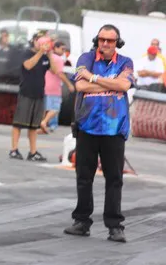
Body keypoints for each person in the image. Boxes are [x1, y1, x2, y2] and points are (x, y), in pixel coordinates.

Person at [64, 24, 135, 243]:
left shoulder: (125, 62)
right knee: (84, 177)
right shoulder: (85, 59)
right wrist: (111, 85)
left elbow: (124, 85)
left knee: (114, 179)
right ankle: (81, 221)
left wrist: (93, 79)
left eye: (110, 40)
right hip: (87, 126)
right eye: (102, 39)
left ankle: (114, 226)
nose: (105, 43)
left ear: (117, 43)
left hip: (114, 128)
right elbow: (80, 87)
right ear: (97, 40)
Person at [9, 32, 62, 161]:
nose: (43, 44)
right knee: (18, 123)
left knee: (34, 125)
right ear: (34, 41)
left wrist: (49, 54)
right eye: (40, 41)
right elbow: (28, 65)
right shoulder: (26, 53)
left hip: (39, 93)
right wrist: (40, 52)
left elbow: (55, 71)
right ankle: (14, 150)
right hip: (26, 92)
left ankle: (32, 152)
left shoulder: (45, 57)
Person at [39, 41, 75, 133]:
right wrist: (69, 84)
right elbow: (60, 73)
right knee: (55, 108)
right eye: (62, 49)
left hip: (45, 86)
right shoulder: (58, 59)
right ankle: (45, 122)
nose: (63, 51)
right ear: (55, 48)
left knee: (46, 108)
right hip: (54, 88)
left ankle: (45, 126)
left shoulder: (48, 57)